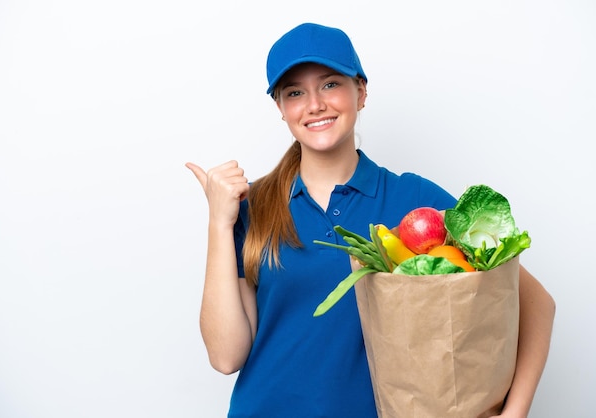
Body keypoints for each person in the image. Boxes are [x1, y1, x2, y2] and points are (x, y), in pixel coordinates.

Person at [186, 22, 555, 418]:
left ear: (360, 92)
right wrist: (218, 224)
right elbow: (226, 357)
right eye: (295, 92)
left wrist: (515, 411)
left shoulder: (414, 201)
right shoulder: (252, 206)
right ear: (281, 108)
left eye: (330, 84)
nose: (315, 104)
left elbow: (537, 303)